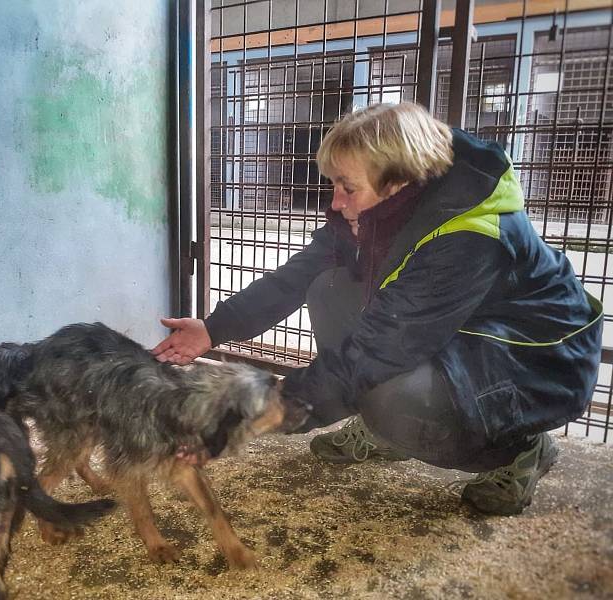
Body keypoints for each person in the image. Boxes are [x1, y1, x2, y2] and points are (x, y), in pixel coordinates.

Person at [152, 102, 603, 516]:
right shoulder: (386, 206)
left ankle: (521, 446)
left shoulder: (467, 238)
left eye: (347, 187)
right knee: (327, 287)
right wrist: (213, 329)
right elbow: (301, 271)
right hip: (466, 334)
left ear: (400, 182)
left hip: (534, 363)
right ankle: (385, 427)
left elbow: (377, 353)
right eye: (334, 183)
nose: (335, 201)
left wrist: (248, 418)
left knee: (391, 392)